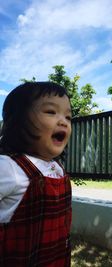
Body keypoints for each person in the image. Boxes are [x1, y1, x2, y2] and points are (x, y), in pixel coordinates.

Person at [0, 81, 72, 267]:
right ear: (17, 121)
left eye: (68, 117)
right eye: (50, 112)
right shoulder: (8, 167)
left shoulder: (57, 169)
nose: (63, 121)